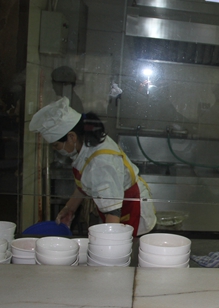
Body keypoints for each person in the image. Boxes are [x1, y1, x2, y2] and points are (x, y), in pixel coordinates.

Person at [29, 97, 156, 237]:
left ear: (72, 137)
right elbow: (86, 182)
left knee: (124, 245)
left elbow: (113, 212)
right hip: (116, 208)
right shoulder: (86, 144)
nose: (56, 150)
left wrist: (109, 245)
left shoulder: (100, 163)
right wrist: (69, 209)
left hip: (129, 210)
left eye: (56, 145)